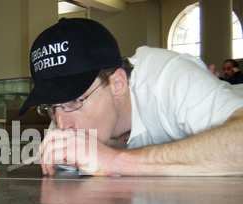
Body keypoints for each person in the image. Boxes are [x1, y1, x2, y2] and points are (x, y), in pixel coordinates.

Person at [18, 18, 243, 176]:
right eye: (51, 106)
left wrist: (114, 160)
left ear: (117, 84)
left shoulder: (169, 78)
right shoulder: (64, 120)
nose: (61, 124)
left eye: (74, 100)